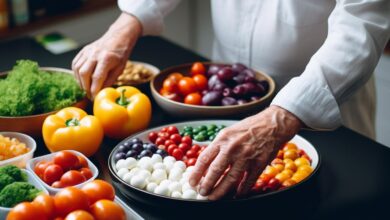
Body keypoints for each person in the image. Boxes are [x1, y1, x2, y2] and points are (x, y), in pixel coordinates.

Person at [72, 0, 390, 200]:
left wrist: (284, 114)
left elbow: (362, 24)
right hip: (229, 93)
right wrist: (129, 21)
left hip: (324, 104)